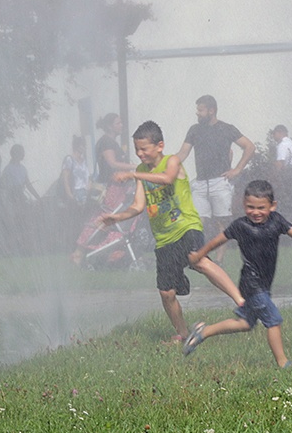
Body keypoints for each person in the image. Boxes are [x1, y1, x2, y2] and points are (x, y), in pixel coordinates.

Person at [101, 120, 245, 340]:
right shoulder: (141, 170)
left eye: (144, 149)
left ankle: (242, 302)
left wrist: (133, 175)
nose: (140, 154)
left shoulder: (173, 161)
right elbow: (138, 206)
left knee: (198, 261)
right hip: (164, 238)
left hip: (186, 226)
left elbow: (167, 179)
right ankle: (182, 333)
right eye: (137, 149)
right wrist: (117, 217)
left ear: (160, 146)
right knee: (166, 293)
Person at [183, 179, 292, 368]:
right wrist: (199, 255)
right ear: (244, 205)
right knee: (274, 320)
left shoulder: (277, 220)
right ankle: (283, 363)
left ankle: (204, 331)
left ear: (272, 206)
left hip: (264, 284)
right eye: (250, 207)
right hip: (251, 284)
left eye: (261, 207)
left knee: (245, 323)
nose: (255, 212)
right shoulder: (240, 226)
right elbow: (216, 242)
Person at [176, 95, 256, 264]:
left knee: (222, 222)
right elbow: (183, 153)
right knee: (197, 221)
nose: (197, 113)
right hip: (200, 183)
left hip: (219, 182)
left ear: (211, 111)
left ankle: (219, 259)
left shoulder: (226, 129)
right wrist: (164, 164)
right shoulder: (194, 130)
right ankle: (198, 256)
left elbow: (249, 146)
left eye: (200, 110)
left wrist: (238, 169)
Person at [71, 113, 137, 266]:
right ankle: (80, 250)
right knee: (107, 217)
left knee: (116, 219)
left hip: (120, 187)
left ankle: (111, 251)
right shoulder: (106, 142)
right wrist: (136, 167)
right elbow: (112, 164)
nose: (122, 125)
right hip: (113, 188)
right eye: (118, 123)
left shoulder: (111, 142)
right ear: (110, 126)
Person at [62, 135, 90, 206]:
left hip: (85, 192)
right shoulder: (69, 159)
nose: (85, 147)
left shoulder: (84, 161)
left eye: (85, 145)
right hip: (75, 192)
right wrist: (70, 195)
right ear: (77, 146)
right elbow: (65, 179)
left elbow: (87, 177)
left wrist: (88, 188)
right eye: (83, 145)